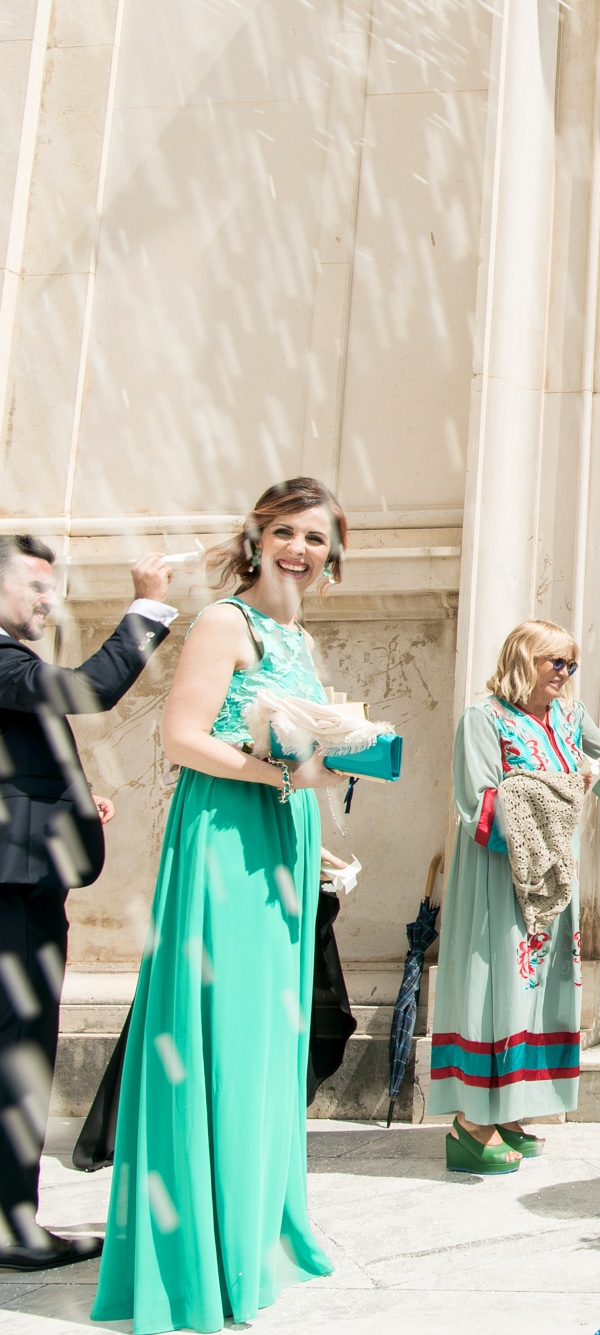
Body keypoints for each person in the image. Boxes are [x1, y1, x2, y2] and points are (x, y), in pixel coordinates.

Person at [92, 479, 350, 1332]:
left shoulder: (295, 635)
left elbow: (296, 746)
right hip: (223, 843)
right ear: (256, 536)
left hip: (280, 838)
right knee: (226, 1029)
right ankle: (204, 1251)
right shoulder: (223, 622)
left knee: (271, 1034)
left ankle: (255, 1227)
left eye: (316, 537)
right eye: (286, 531)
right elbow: (183, 737)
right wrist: (281, 773)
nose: (300, 549)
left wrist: (318, 821)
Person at [429, 620, 600, 1173]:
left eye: (571, 665)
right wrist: (558, 788)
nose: (565, 674)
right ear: (521, 659)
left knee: (537, 985)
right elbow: (478, 799)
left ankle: (509, 1110)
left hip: (556, 871)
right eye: (554, 661)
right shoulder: (483, 719)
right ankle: (470, 1123)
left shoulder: (569, 718)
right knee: (498, 981)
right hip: (497, 875)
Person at [0, 539, 174, 1268]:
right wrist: (147, 604)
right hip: (12, 896)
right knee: (18, 1059)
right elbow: (86, 691)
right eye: (34, 585)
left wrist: (69, 806)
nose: (49, 600)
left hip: (27, 881)